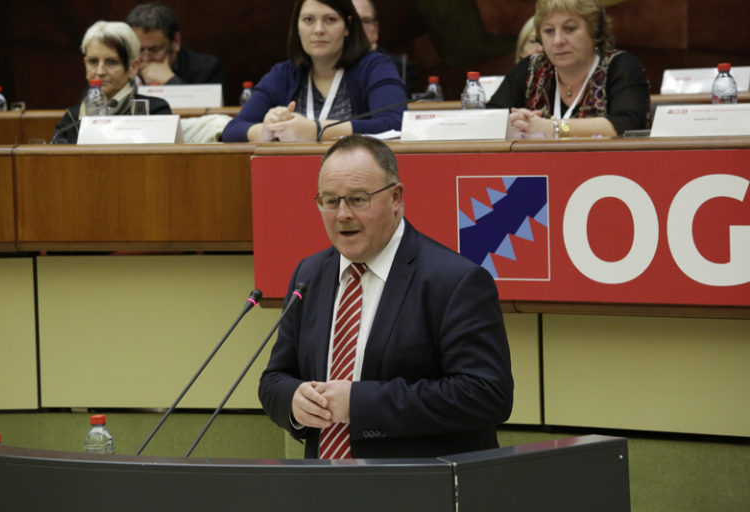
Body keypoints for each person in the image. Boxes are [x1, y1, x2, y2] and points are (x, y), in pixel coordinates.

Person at [258, 134, 514, 459]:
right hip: (325, 481)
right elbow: (274, 380)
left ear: (395, 197)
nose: (342, 214)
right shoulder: (309, 275)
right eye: (330, 201)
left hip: (418, 482)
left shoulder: (454, 281)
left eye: (358, 199)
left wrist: (359, 403)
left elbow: (487, 395)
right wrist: (294, 401)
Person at [220, 0, 406, 143]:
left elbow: (395, 124)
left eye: (330, 20)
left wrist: (317, 130)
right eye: (308, 20)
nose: (318, 30)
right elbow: (232, 130)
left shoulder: (374, 66)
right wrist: (266, 131)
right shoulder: (284, 74)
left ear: (348, 27)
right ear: (297, 27)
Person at [487, 0, 650, 139]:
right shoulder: (530, 69)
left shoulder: (621, 66)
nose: (558, 40)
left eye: (570, 28)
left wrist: (554, 127)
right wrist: (515, 121)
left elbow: (628, 125)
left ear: (595, 32)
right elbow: (489, 118)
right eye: (549, 31)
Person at [52, 21, 172, 144]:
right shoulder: (71, 119)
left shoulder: (155, 111)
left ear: (133, 67)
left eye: (112, 62)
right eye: (93, 61)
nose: (100, 72)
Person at [126, 3, 225, 88]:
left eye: (155, 49)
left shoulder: (207, 69)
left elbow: (211, 104)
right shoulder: (124, 67)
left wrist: (171, 81)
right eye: (139, 50)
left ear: (176, 41)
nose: (146, 58)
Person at [352, 0, 418, 95]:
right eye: (352, 21)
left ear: (376, 28)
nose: (359, 28)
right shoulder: (331, 62)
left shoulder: (401, 65)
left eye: (366, 21)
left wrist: (368, 57)